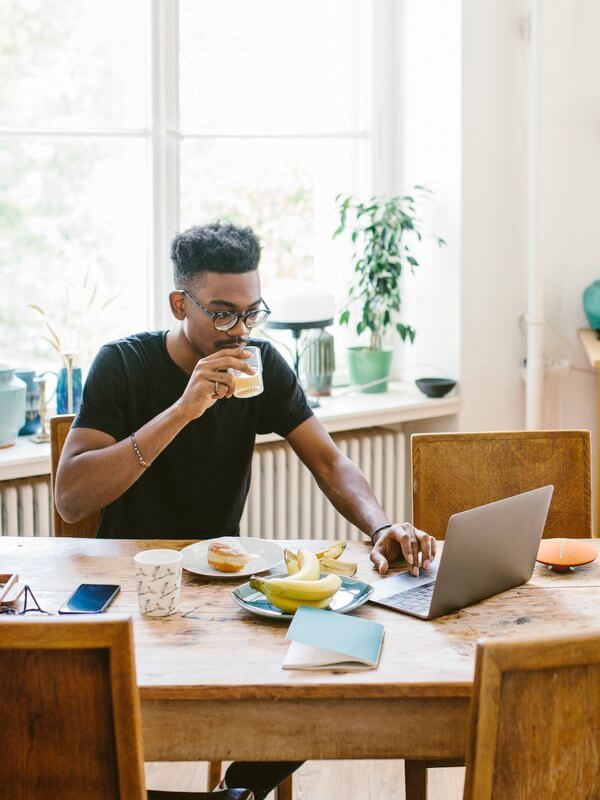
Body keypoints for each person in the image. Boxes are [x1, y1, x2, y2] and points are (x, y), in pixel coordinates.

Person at [56, 221, 437, 799]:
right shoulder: (123, 364)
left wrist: (382, 524)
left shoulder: (263, 363)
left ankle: (237, 792)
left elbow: (329, 461)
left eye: (252, 313)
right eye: (223, 314)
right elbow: (70, 498)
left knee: (341, 656)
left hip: (229, 584)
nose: (240, 330)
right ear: (180, 304)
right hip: (139, 588)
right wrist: (183, 410)